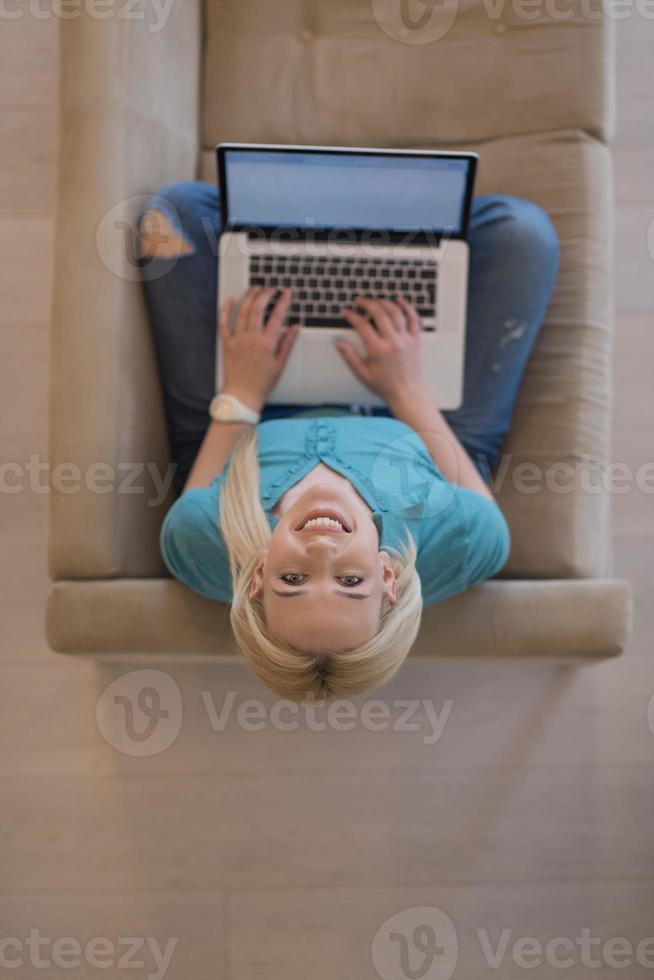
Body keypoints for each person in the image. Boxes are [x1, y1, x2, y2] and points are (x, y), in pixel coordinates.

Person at [137, 182, 559, 701]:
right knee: (523, 232)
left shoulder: (200, 542)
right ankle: (374, 212)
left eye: (292, 579)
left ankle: (320, 207)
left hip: (254, 419)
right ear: (386, 576)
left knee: (173, 213)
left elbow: (219, 435)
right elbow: (486, 515)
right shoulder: (461, 542)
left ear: (257, 576)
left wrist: (243, 388)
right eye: (350, 582)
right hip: (414, 429)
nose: (322, 549)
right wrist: (407, 389)